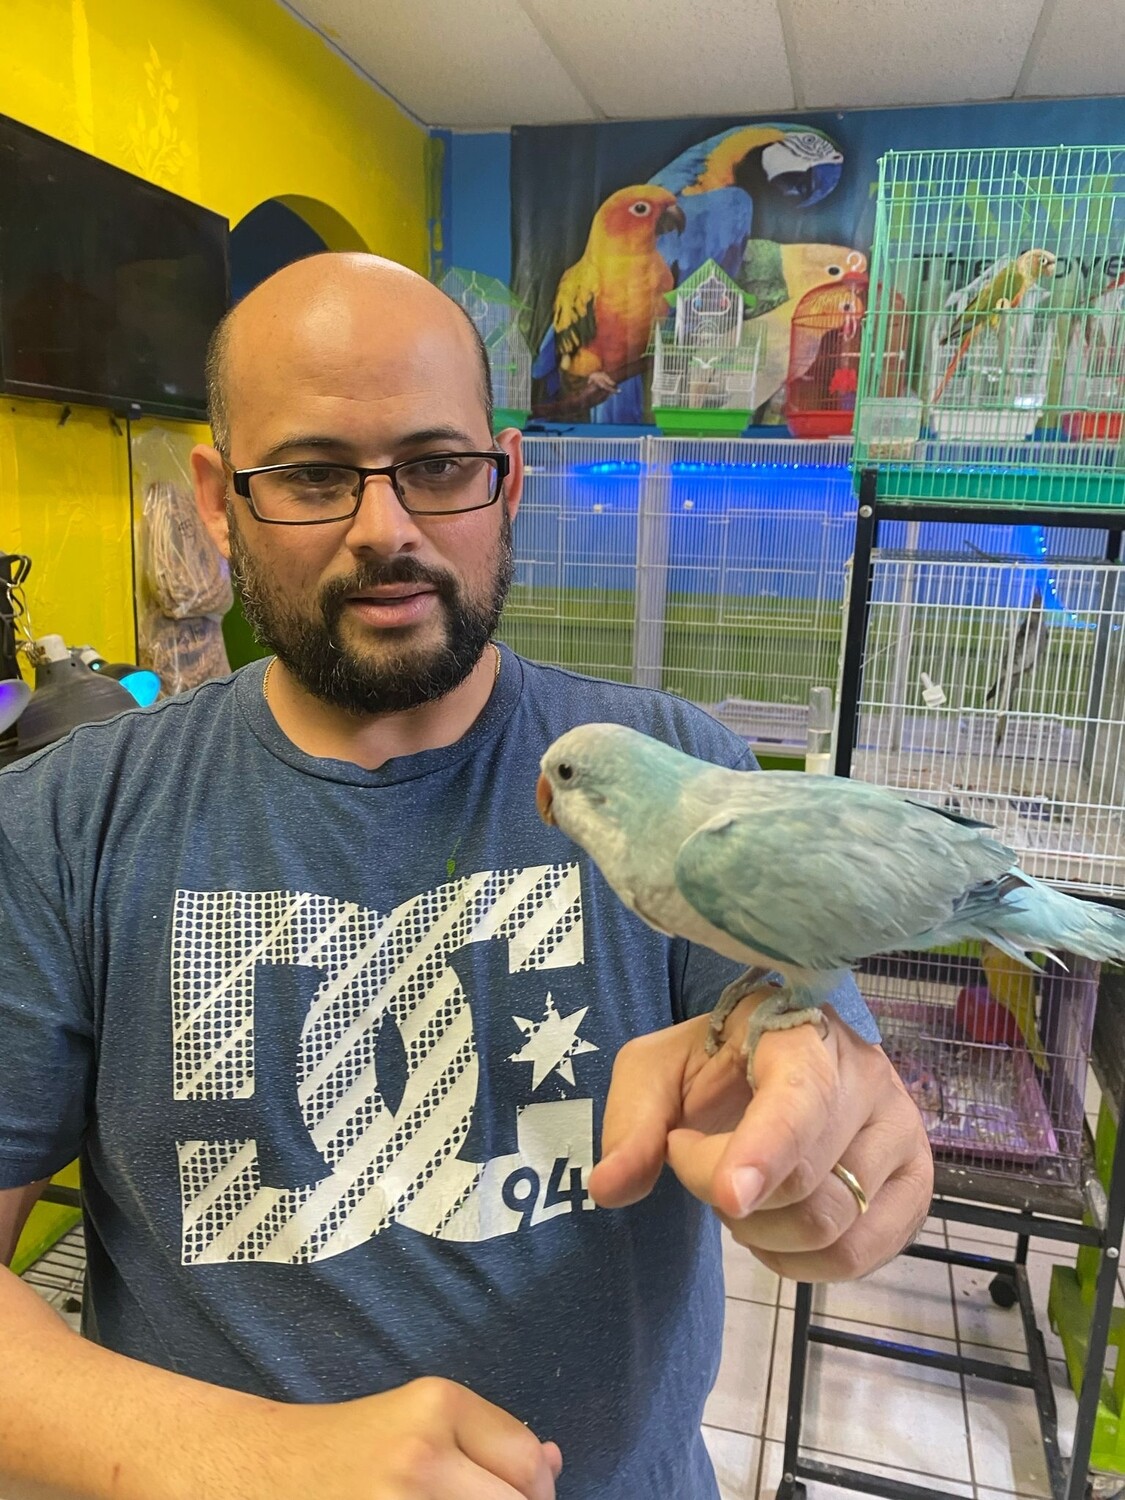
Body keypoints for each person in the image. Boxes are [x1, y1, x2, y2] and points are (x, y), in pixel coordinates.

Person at [0, 253, 933, 1500]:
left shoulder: (695, 774)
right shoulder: (64, 823)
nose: (385, 529)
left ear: (506, 485)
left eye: (437, 469)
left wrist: (824, 1136)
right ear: (219, 503)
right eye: (316, 475)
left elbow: (828, 1084)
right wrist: (256, 1462)